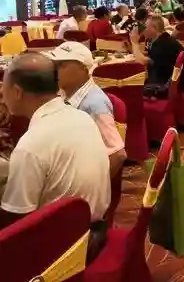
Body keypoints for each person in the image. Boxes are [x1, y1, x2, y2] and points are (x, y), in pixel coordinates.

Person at [0, 53, 110, 253]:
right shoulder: (81, 117)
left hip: (61, 250)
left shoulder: (31, 146)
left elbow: (15, 222)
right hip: (95, 230)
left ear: (17, 92)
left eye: (3, 86)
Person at [48, 42, 126, 177]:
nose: (54, 71)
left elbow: (117, 154)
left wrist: (97, 185)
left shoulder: (94, 105)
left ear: (83, 68)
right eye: (53, 65)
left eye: (61, 65)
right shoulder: (64, 92)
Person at [130, 15, 184, 98]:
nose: (143, 30)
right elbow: (151, 56)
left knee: (131, 88)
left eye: (146, 27)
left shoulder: (162, 44)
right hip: (168, 80)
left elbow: (141, 62)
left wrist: (134, 43)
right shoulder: (164, 39)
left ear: (154, 28)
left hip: (162, 87)